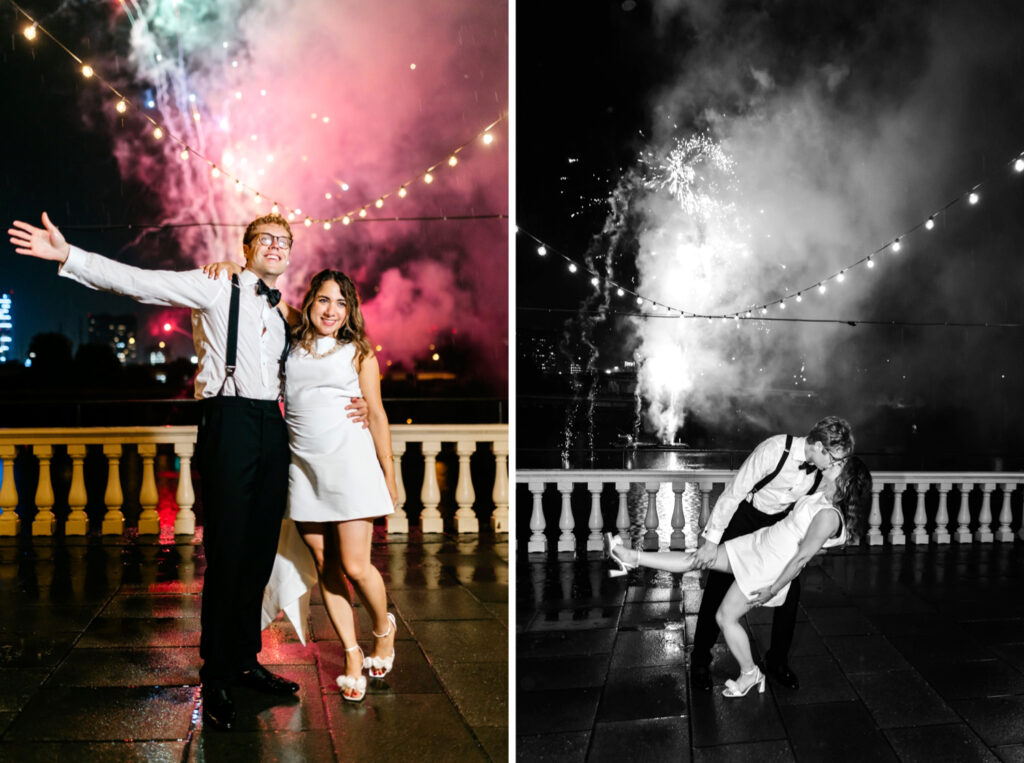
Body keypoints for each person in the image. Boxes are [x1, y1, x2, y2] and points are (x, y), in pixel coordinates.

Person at [8, 212, 368, 731]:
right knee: (227, 551)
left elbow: (332, 348)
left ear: (289, 254)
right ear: (246, 248)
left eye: (283, 241)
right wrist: (69, 256)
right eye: (265, 239)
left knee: (260, 550)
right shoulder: (215, 284)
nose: (275, 246)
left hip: (273, 427)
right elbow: (138, 283)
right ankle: (216, 672)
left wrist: (357, 403)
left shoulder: (288, 312)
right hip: (229, 420)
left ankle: (245, 660)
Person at [608, 456, 871, 697]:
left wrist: (774, 588)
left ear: (845, 480)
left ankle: (750, 673)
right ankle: (632, 557)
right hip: (759, 543)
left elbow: (801, 558)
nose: (833, 462)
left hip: (768, 566)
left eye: (839, 464)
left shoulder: (828, 516)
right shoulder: (821, 495)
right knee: (698, 558)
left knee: (725, 616)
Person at [686, 416, 854, 692]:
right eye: (836, 459)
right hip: (745, 519)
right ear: (821, 447)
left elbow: (829, 509)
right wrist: (710, 540)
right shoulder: (775, 449)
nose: (838, 466)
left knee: (790, 596)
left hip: (778, 529)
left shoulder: (822, 476)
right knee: (717, 589)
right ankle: (701, 660)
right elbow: (734, 492)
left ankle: (777, 662)